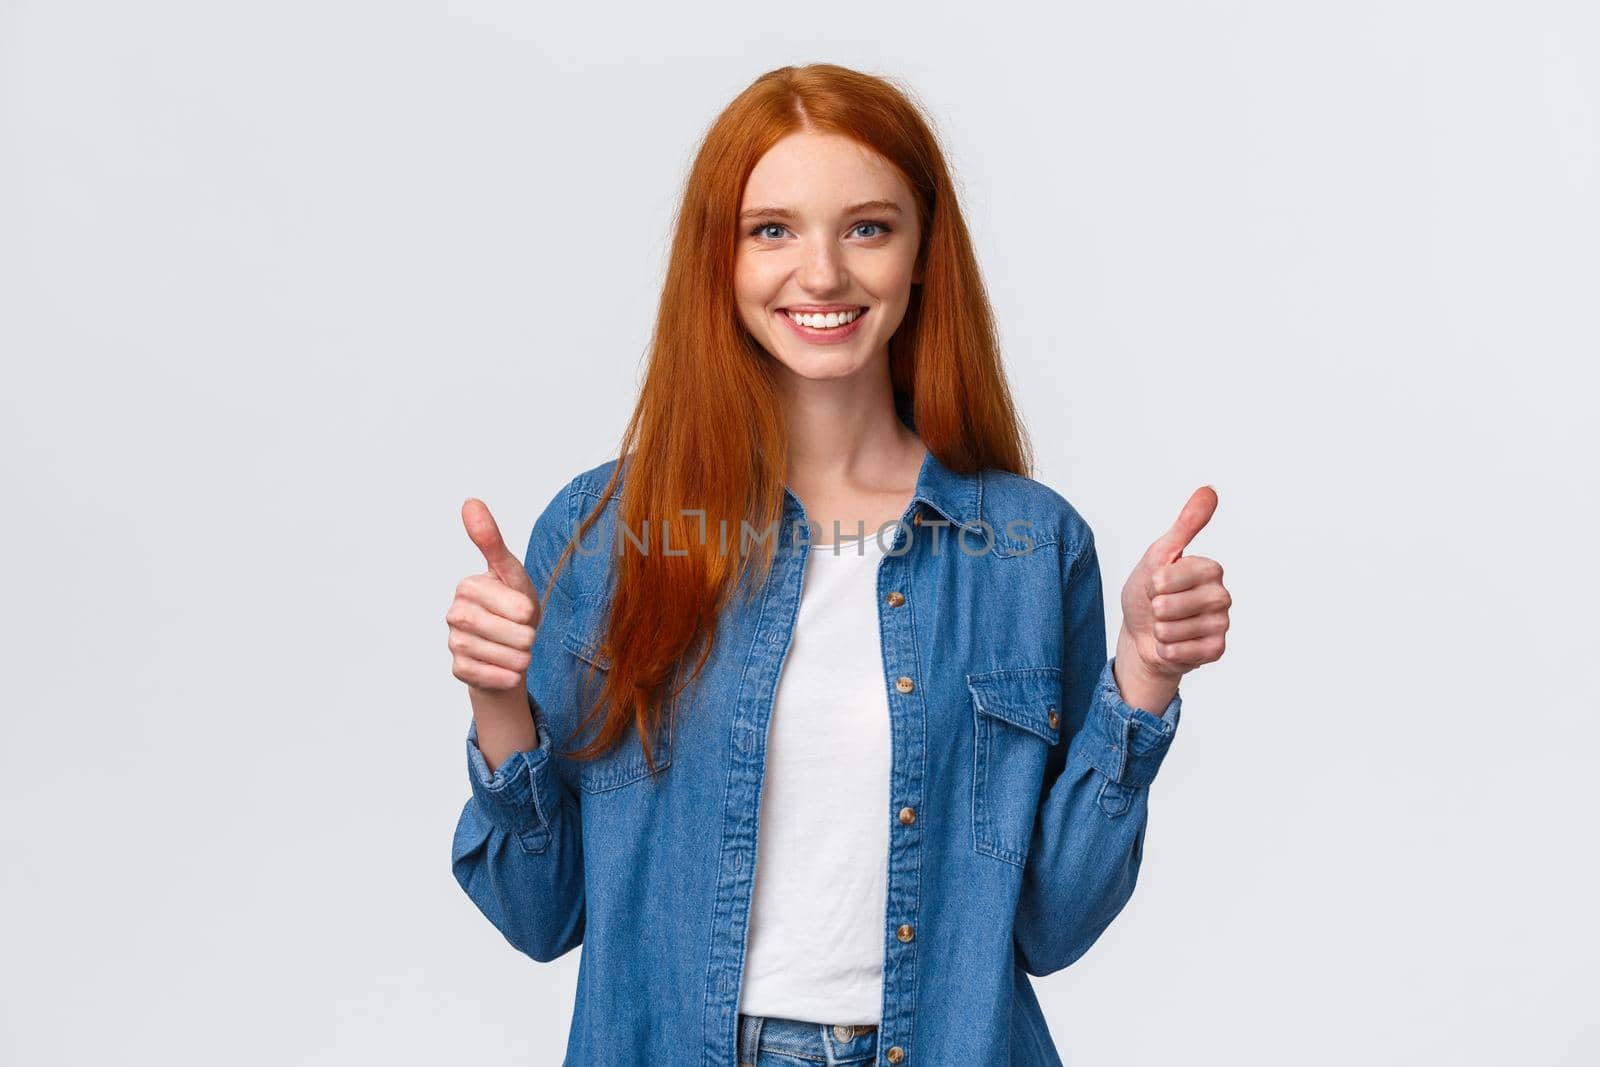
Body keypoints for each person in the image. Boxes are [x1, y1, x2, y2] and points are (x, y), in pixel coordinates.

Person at [445, 62, 1231, 1067]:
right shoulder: (606, 532)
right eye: (771, 229)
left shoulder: (1029, 547)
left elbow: (1051, 924)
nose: (821, 274)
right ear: (717, 260)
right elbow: (536, 912)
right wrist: (495, 695)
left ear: (921, 256)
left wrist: (1144, 675)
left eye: (866, 226)